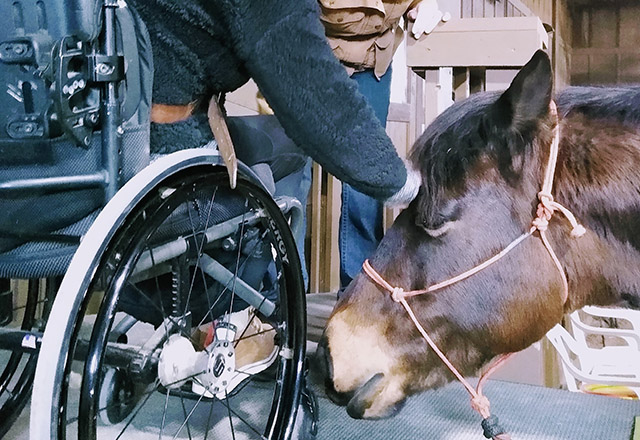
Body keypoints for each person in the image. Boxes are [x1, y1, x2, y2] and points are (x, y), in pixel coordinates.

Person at [131, 0, 421, 213]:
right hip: (162, 147)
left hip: (111, 129)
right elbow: (319, 100)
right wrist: (400, 181)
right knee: (289, 151)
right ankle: (271, 289)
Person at [319, 0, 449, 291]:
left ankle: (359, 291)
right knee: (293, 172)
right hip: (313, 57)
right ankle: (282, 301)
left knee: (366, 180)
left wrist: (423, 5)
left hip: (373, 66)